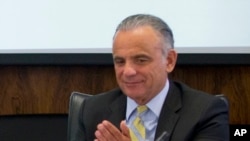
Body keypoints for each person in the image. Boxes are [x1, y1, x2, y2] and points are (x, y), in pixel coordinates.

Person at [76, 14, 229, 141]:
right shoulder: (92, 110)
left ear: (169, 61)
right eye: (120, 61)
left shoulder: (205, 112)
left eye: (141, 60)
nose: (128, 71)